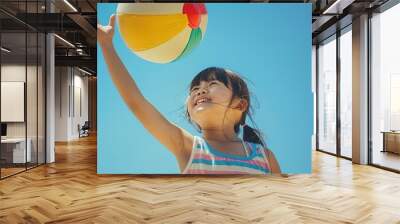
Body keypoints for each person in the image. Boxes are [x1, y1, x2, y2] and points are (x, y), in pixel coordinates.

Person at [97, 15, 281, 174]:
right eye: (194, 89)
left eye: (213, 83)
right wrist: (106, 45)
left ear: (240, 105)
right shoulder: (187, 146)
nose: (200, 90)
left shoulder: (265, 157)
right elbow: (136, 102)